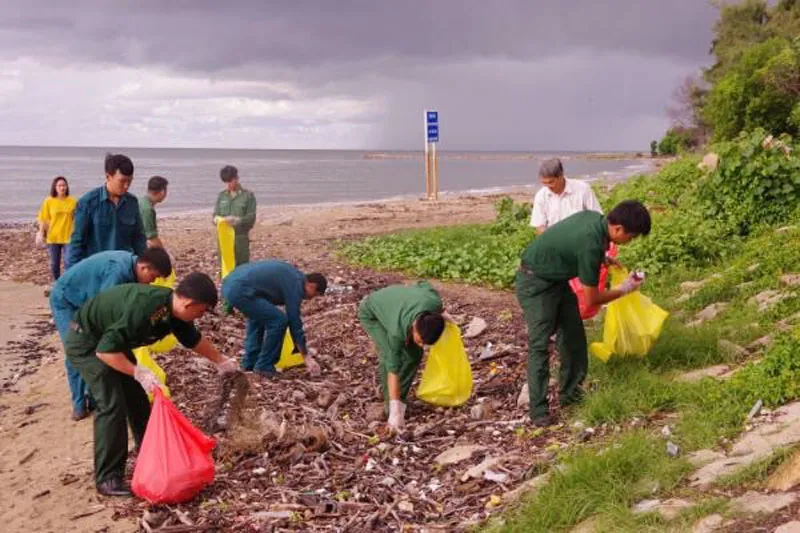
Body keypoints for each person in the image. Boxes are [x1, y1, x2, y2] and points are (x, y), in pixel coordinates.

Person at [65, 272, 238, 497]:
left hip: (112, 342)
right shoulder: (143, 309)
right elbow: (104, 351)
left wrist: (222, 362)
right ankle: (108, 478)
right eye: (202, 310)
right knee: (111, 404)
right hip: (88, 343)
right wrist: (136, 371)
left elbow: (193, 340)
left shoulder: (173, 310)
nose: (202, 315)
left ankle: (151, 453)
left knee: (137, 398)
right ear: (189, 303)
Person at [516, 200, 651, 427]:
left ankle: (571, 395)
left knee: (573, 336)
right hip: (535, 283)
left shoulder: (595, 220)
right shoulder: (590, 244)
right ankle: (538, 411)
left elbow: (572, 245)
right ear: (618, 229)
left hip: (556, 279)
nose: (630, 241)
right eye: (632, 236)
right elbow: (592, 299)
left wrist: (603, 258)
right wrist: (625, 288)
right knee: (540, 345)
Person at [50, 248, 172, 421]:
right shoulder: (116, 273)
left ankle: (93, 398)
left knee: (99, 347)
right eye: (153, 277)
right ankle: (79, 403)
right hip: (67, 300)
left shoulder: (133, 270)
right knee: (77, 348)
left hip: (88, 299)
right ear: (144, 267)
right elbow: (104, 311)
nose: (152, 283)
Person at [358, 281, 446, 431]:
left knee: (415, 354)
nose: (421, 344)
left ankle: (401, 400)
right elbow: (394, 371)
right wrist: (395, 411)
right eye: (420, 340)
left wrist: (441, 313)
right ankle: (390, 406)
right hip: (371, 312)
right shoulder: (397, 333)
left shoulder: (434, 303)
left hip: (394, 303)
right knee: (389, 358)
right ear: (415, 328)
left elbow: (424, 284)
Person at [221, 260, 326, 378]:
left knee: (259, 318)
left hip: (231, 285)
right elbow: (294, 320)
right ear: (312, 285)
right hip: (240, 289)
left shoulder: (293, 276)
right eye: (315, 294)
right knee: (279, 321)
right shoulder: (295, 284)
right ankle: (264, 366)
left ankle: (250, 363)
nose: (311, 298)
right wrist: (306, 356)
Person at [67, 153, 146, 267]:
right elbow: (77, 243)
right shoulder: (87, 203)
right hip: (97, 270)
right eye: (122, 181)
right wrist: (73, 277)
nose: (126, 186)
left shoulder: (132, 202)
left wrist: (143, 265)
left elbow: (139, 239)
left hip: (125, 268)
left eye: (130, 181)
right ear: (108, 176)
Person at [530, 158, 602, 234]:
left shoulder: (583, 189)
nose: (548, 186)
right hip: (554, 239)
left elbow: (596, 217)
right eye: (544, 183)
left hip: (582, 237)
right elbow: (540, 225)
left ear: (561, 176)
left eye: (551, 182)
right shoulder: (541, 196)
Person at [37, 176, 77, 281]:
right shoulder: (48, 201)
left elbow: (77, 218)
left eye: (64, 185)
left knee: (69, 262)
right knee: (55, 264)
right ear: (55, 187)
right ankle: (58, 283)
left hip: (68, 237)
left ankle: (68, 283)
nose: (62, 188)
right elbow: (43, 218)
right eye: (59, 185)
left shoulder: (72, 201)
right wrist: (41, 233)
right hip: (53, 237)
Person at [139, 176, 169, 249]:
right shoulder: (147, 209)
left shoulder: (141, 201)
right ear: (162, 192)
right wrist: (165, 254)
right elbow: (152, 237)